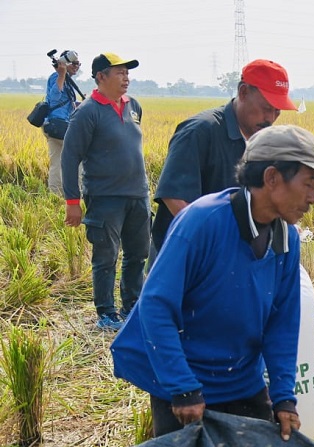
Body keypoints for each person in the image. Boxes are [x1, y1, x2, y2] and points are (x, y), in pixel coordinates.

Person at [111, 125, 314, 439]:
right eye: (308, 184)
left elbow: (282, 323)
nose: (312, 199)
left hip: (240, 379)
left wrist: (284, 397)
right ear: (272, 178)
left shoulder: (286, 238)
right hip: (183, 380)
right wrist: (182, 387)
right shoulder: (202, 223)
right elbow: (156, 306)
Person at [151, 59, 298, 254]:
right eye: (266, 108)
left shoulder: (264, 142)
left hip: (231, 255)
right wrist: (211, 244)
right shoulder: (199, 131)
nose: (270, 118)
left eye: (277, 111)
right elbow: (175, 198)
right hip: (185, 253)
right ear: (243, 92)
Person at [62, 53, 150, 332]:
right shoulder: (87, 111)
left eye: (127, 73)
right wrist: (72, 201)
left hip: (138, 194)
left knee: (138, 254)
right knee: (106, 257)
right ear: (101, 77)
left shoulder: (133, 106)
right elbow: (69, 157)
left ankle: (131, 304)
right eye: (119, 72)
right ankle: (106, 313)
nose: (126, 78)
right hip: (105, 197)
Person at [42, 49, 83, 196]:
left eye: (79, 64)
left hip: (54, 125)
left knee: (57, 162)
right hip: (59, 125)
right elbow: (54, 97)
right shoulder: (57, 76)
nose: (77, 66)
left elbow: (66, 103)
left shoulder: (67, 80)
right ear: (66, 64)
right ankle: (77, 192)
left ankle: (55, 195)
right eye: (75, 63)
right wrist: (61, 74)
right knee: (79, 157)